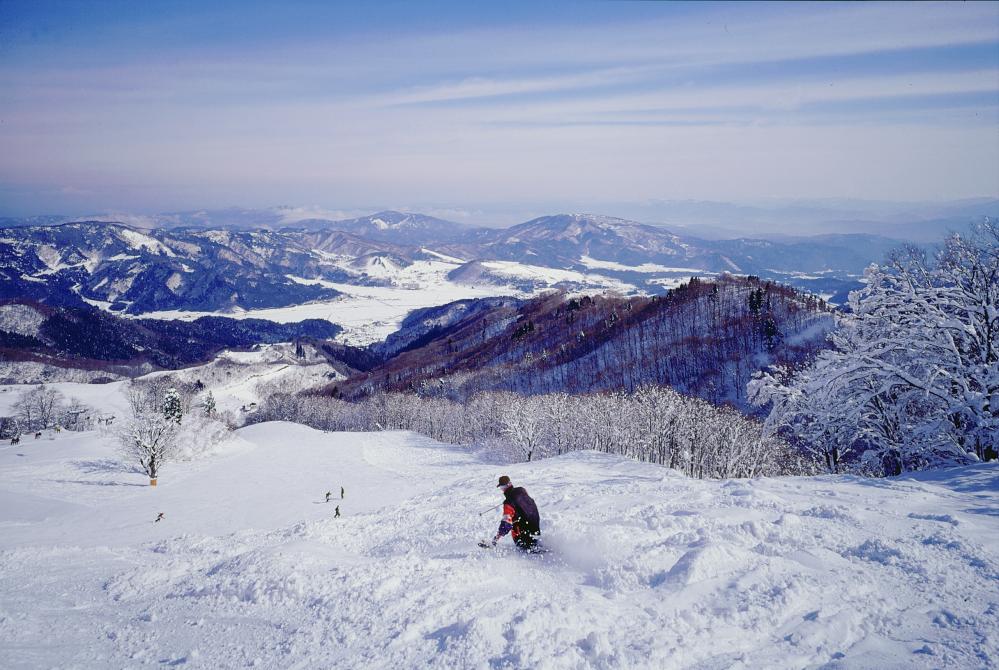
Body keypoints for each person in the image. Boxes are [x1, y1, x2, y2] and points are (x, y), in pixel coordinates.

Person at [491, 475, 541, 552]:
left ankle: (525, 551)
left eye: (501, 488)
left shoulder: (508, 503)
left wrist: (496, 538)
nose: (502, 490)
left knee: (514, 525)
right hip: (535, 524)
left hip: (524, 533)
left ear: (505, 487)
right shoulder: (522, 490)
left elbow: (506, 524)